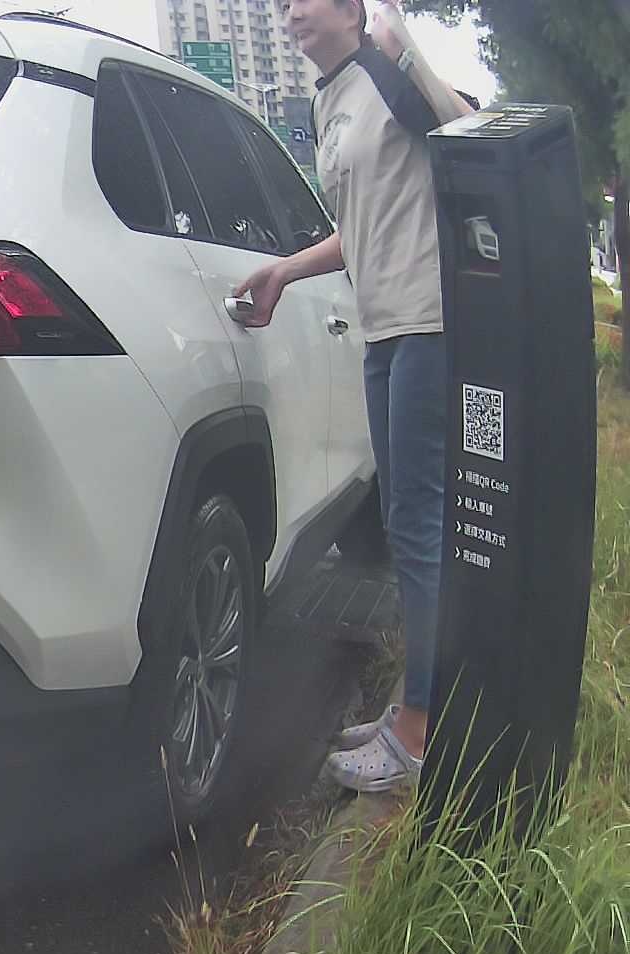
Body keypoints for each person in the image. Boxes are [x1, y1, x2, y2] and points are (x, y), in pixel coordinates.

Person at [234, 0, 478, 793]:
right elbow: (360, 227)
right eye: (283, 7)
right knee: (408, 523)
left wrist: (408, 52)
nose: (289, 14)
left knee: (419, 524)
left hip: (429, 321)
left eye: (303, 2)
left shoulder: (384, 73)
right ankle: (417, 706)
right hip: (382, 331)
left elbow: (466, 131)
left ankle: (421, 731)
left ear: (351, 10)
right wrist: (284, 270)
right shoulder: (327, 101)